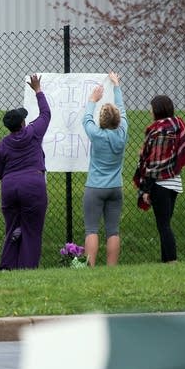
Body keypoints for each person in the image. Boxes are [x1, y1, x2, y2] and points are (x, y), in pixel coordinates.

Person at [0, 74, 51, 270]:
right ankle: (27, 268)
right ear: (22, 123)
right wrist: (38, 91)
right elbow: (45, 114)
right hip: (33, 185)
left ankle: (7, 267)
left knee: (12, 228)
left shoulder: (1, 145)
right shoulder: (33, 132)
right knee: (32, 229)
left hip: (9, 187)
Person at [133, 95, 185, 263]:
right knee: (165, 223)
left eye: (152, 107)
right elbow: (179, 153)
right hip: (175, 182)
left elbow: (154, 163)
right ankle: (166, 262)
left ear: (158, 109)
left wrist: (146, 188)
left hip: (160, 183)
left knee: (163, 226)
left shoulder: (158, 130)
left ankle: (171, 261)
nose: (150, 110)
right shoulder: (177, 124)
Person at [81, 72, 128, 267]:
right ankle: (111, 268)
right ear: (117, 120)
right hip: (115, 187)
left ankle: (90, 266)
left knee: (91, 229)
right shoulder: (123, 131)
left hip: (95, 188)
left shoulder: (96, 134)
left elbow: (86, 120)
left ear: (102, 120)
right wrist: (116, 86)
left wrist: (93, 99)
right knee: (113, 231)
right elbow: (123, 111)